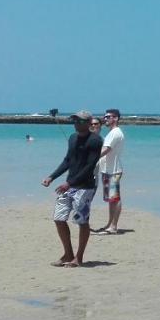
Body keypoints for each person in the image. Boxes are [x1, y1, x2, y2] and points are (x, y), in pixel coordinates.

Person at [41, 110, 104, 267]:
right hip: (69, 185)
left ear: (89, 123)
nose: (77, 124)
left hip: (85, 187)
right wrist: (52, 176)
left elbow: (89, 167)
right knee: (58, 218)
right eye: (75, 121)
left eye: (81, 121)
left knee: (82, 221)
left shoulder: (95, 141)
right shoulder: (72, 138)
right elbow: (68, 160)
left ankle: (79, 257)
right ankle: (68, 254)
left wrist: (69, 183)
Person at [93, 108, 126, 235]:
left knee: (115, 198)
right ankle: (109, 224)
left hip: (113, 170)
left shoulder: (115, 132)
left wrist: (91, 160)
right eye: (105, 116)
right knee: (111, 199)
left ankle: (113, 226)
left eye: (108, 117)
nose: (105, 119)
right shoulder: (112, 132)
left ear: (115, 118)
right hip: (108, 169)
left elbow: (106, 149)